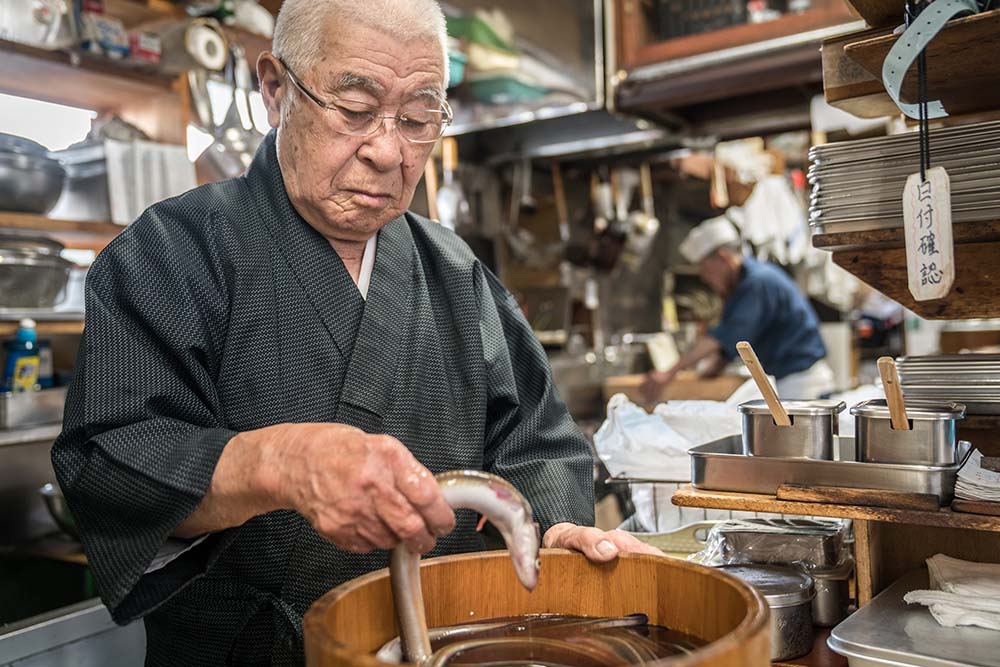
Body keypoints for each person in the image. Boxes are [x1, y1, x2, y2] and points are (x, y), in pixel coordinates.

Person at [50, 1, 659, 664]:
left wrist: (550, 528)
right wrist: (277, 464)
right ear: (276, 90)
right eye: (356, 107)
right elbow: (111, 460)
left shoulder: (457, 273)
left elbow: (538, 442)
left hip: (450, 645)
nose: (389, 150)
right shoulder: (168, 252)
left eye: (419, 118)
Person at [643, 215, 834, 402]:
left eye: (705, 268)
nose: (704, 278)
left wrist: (668, 373)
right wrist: (718, 364)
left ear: (723, 258)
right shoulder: (746, 283)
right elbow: (736, 338)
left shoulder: (757, 283)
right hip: (792, 381)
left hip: (801, 385)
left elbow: (720, 338)